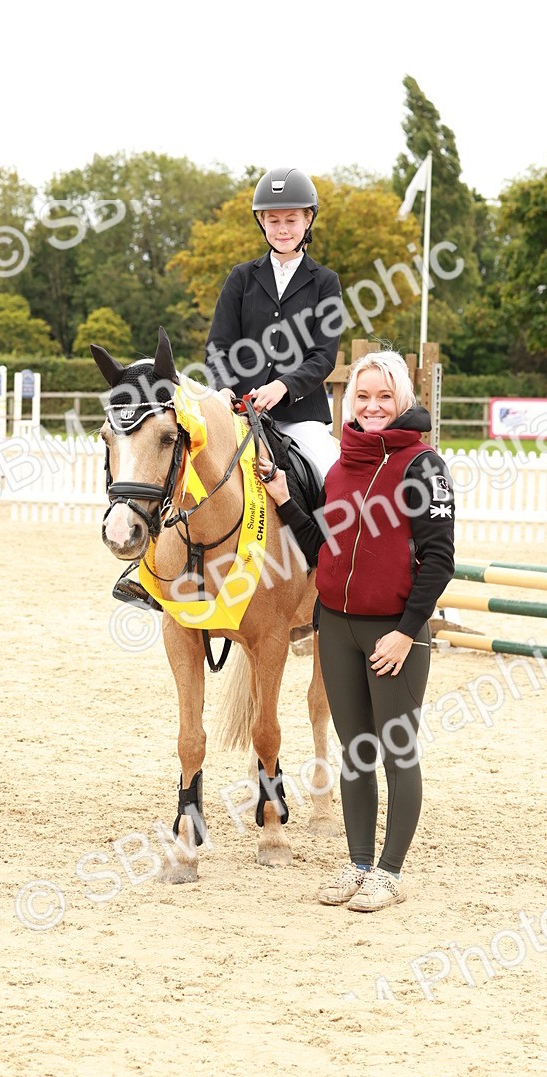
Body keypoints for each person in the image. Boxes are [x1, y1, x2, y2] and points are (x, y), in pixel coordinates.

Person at [259, 350, 456, 912]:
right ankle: (359, 864)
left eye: (384, 397)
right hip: (336, 629)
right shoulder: (342, 466)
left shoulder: (423, 466)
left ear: (402, 401)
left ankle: (389, 874)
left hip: (393, 633)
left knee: (397, 750)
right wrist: (283, 499)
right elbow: (323, 546)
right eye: (363, 397)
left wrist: (407, 631)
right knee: (355, 753)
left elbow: (440, 559)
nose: (373, 407)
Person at [205, 167, 342, 476]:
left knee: (330, 475)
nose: (282, 229)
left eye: (291, 220)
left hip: (301, 416)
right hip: (239, 411)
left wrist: (283, 386)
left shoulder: (325, 283)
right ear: (262, 222)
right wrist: (224, 387)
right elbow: (218, 346)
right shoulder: (241, 277)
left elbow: (323, 356)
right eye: (274, 221)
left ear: (308, 220)